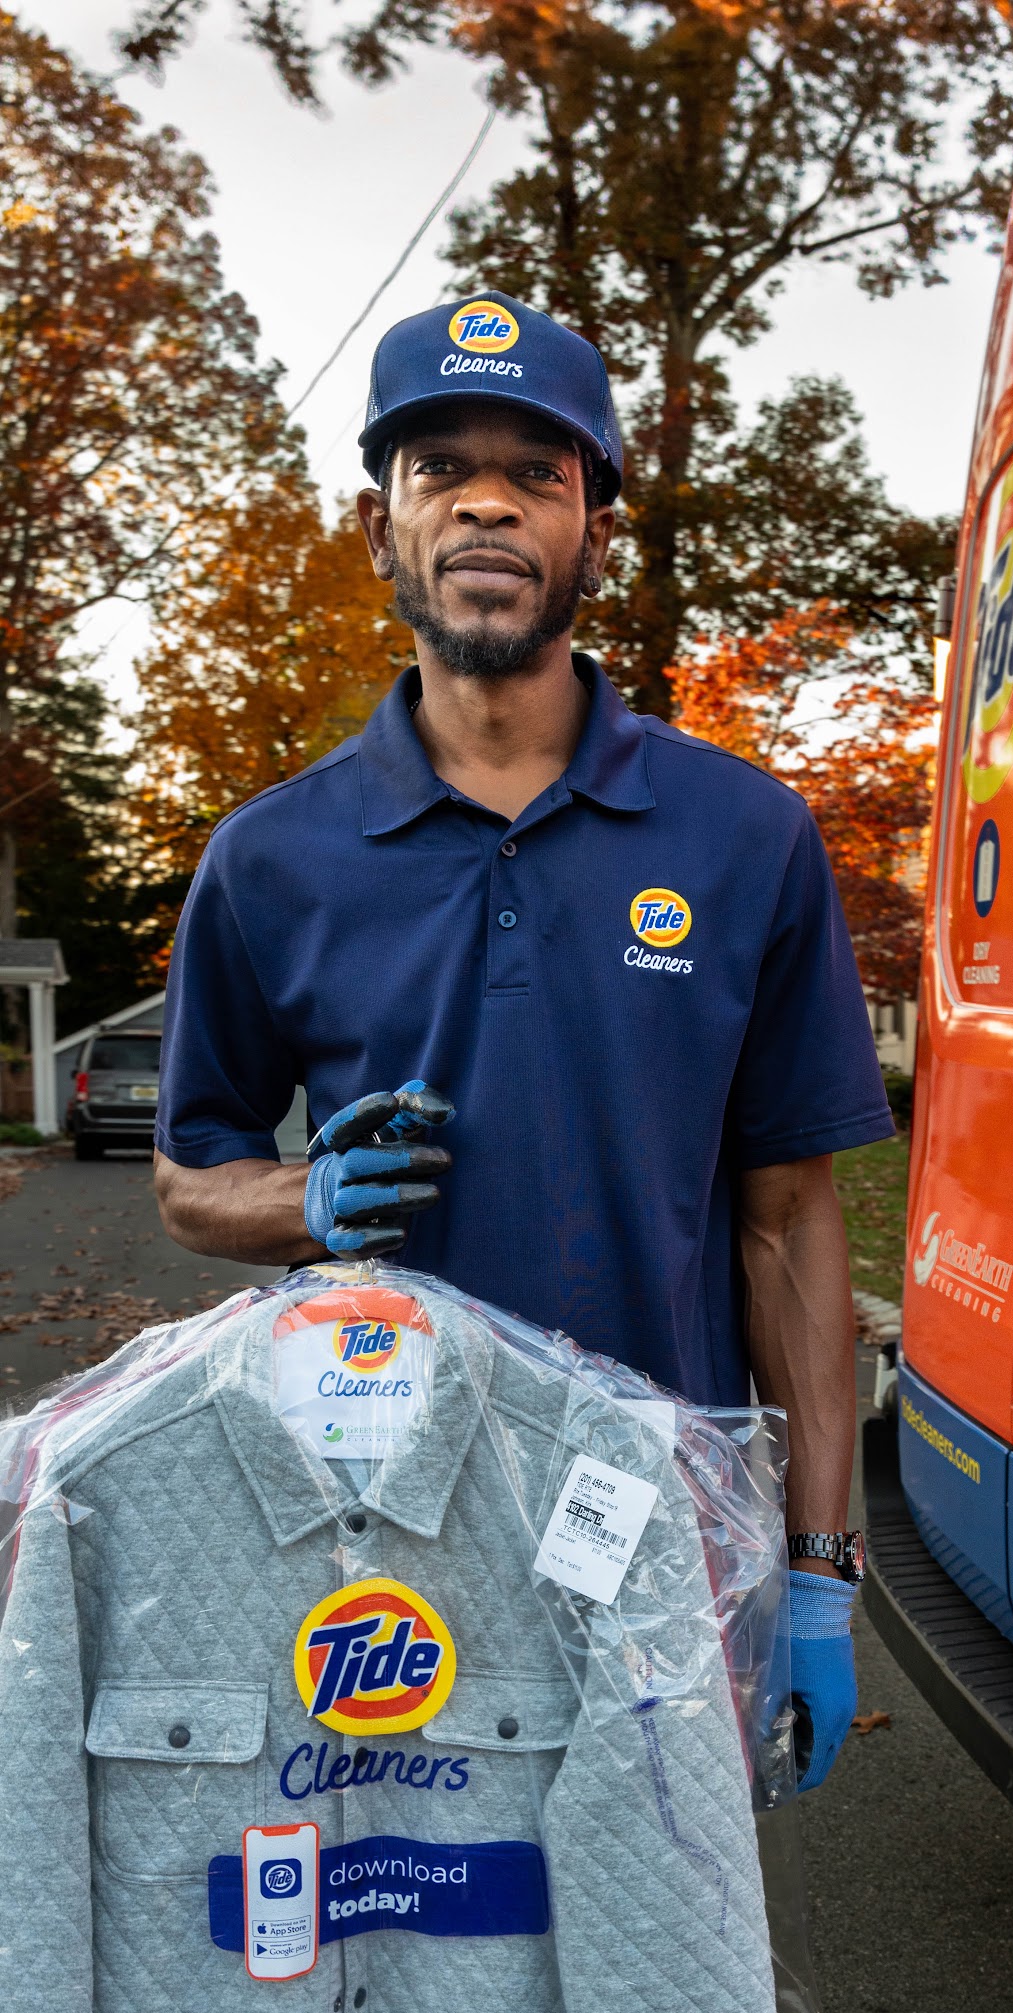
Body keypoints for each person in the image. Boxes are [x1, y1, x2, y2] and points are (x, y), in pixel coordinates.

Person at [154, 291, 895, 1791]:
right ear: (379, 527)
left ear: (593, 534)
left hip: (661, 1528)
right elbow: (188, 1177)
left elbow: (788, 1223)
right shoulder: (271, 856)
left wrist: (818, 1568)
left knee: (657, 1932)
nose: (486, 500)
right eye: (439, 467)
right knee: (409, 1925)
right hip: (372, 1541)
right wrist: (301, 1199)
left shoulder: (743, 834)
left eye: (537, 472)